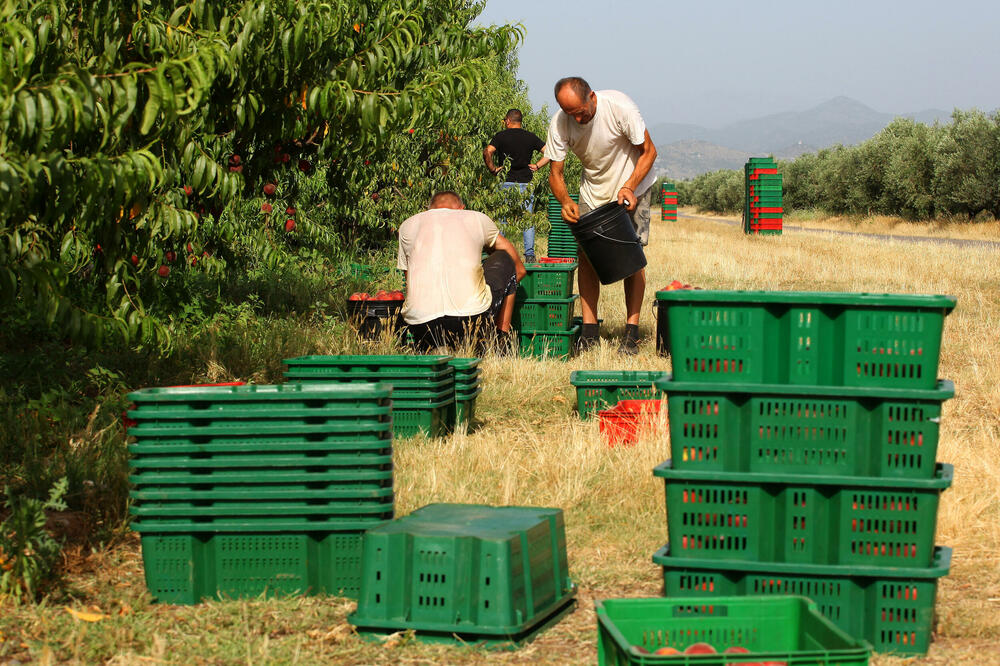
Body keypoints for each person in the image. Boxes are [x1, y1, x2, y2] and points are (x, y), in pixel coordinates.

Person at [544, 77, 657, 355]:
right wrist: (566, 200)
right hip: (593, 191)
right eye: (570, 113)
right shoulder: (560, 122)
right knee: (586, 256)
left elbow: (649, 152)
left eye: (581, 111)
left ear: (592, 97)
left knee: (632, 257)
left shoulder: (620, 107)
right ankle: (590, 332)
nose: (577, 119)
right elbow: (555, 174)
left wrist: (629, 186)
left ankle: (632, 333)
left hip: (634, 184)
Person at [397, 191, 527, 353]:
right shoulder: (476, 218)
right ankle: (500, 341)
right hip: (468, 322)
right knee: (504, 258)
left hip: (421, 326)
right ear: (462, 208)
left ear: (428, 209)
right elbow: (519, 269)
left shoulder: (407, 226)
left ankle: (437, 346)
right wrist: (507, 286)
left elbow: (410, 284)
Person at [483, 109, 550, 262]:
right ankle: (530, 255)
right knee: (528, 220)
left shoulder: (500, 136)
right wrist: (538, 165)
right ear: (520, 121)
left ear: (508, 121)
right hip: (525, 183)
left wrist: (492, 169)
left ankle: (500, 253)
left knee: (503, 219)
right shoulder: (530, 137)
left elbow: (487, 151)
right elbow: (550, 152)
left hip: (506, 182)